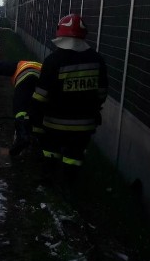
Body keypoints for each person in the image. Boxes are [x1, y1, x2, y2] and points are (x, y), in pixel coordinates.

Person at [30, 13, 108, 183]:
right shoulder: (97, 60)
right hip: (84, 124)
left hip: (54, 122)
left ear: (61, 35)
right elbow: (102, 93)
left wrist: (34, 119)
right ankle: (70, 184)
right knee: (74, 155)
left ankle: (49, 181)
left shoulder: (53, 60)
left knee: (50, 150)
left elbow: (41, 95)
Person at [0, 60, 42, 156]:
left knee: (20, 110)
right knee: (36, 110)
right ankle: (34, 139)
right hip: (41, 83)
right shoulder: (40, 66)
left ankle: (22, 136)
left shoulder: (17, 65)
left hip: (25, 80)